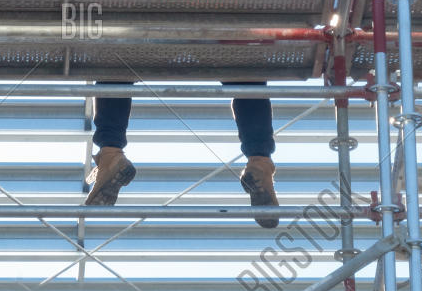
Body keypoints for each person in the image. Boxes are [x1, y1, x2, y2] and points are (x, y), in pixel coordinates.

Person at [82, 81, 279, 228]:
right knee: (247, 75)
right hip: (219, 37)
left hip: (149, 38)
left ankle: (110, 154)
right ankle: (259, 161)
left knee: (115, 65)